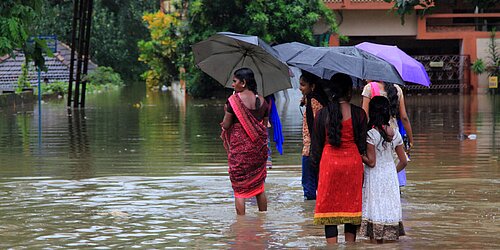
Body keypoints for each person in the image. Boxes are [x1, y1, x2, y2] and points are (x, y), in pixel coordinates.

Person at [311, 73, 367, 243]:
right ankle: (351, 245)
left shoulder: (322, 114)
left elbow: (316, 147)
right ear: (349, 92)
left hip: (329, 165)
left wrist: (317, 173)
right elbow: (362, 145)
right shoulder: (359, 114)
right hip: (352, 164)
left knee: (330, 210)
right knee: (351, 209)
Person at [221, 67, 269, 216]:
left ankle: (240, 223)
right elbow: (264, 127)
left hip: (240, 153)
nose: (232, 84)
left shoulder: (233, 102)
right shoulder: (263, 101)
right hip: (258, 152)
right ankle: (263, 219)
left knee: (239, 190)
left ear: (243, 83)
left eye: (235, 81)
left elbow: (226, 125)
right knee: (259, 186)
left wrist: (226, 111)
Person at [360, 96, 407, 243]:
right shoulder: (395, 133)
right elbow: (404, 161)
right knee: (389, 207)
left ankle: (376, 243)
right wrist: (393, 171)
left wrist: (359, 155)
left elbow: (372, 162)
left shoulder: (371, 134)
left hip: (375, 176)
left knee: (376, 209)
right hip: (390, 175)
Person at [361, 80, 413, 187]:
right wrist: (411, 140)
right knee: (394, 175)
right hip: (393, 134)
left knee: (373, 173)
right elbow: (404, 117)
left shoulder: (369, 88)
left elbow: (364, 116)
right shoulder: (397, 89)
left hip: (375, 132)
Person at [299, 70, 329, 200]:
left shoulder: (313, 101)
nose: (300, 88)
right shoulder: (318, 99)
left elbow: (314, 126)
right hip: (319, 147)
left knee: (308, 184)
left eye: (303, 85)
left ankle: (310, 211)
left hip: (311, 148)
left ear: (312, 86)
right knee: (319, 181)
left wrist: (313, 151)